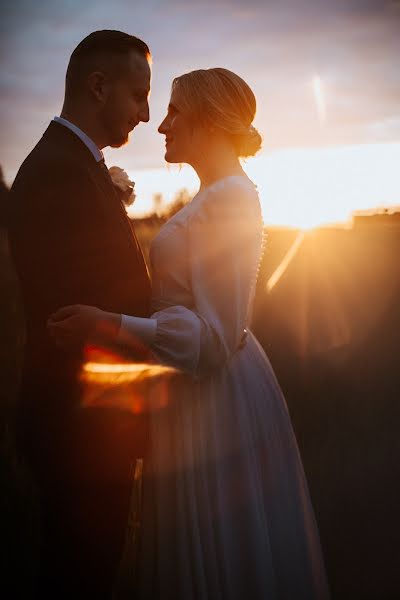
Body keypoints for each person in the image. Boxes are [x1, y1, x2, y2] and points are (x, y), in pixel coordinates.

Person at [49, 68, 330, 598]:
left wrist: (106, 325)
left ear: (209, 119)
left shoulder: (231, 201)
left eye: (175, 110)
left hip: (214, 399)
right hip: (189, 394)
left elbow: (215, 340)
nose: (161, 125)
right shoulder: (213, 197)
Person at [7, 31, 152, 598]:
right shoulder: (58, 173)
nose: (145, 113)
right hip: (80, 432)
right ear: (98, 86)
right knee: (79, 577)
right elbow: (75, 317)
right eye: (138, 96)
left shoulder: (78, 166)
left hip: (88, 426)